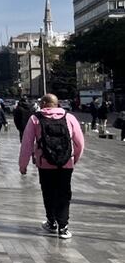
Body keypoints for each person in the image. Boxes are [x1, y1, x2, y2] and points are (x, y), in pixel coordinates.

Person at [19, 94, 85, 240]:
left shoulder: (35, 119)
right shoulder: (69, 117)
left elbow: (27, 144)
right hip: (66, 163)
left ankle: (51, 222)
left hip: (45, 163)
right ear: (57, 104)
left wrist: (23, 165)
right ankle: (63, 227)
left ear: (44, 103)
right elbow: (80, 142)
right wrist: (74, 159)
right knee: (64, 194)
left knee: (48, 192)